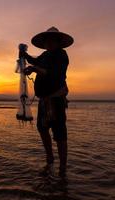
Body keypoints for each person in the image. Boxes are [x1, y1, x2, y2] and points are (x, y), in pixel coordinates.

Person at [20, 27, 74, 177]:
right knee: (42, 129)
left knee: (59, 133)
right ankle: (50, 158)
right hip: (44, 101)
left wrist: (34, 69)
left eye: (52, 40)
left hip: (56, 99)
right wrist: (24, 55)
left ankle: (62, 167)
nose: (48, 43)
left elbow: (53, 73)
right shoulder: (45, 55)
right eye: (46, 40)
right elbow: (35, 61)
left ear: (58, 42)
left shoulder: (61, 55)